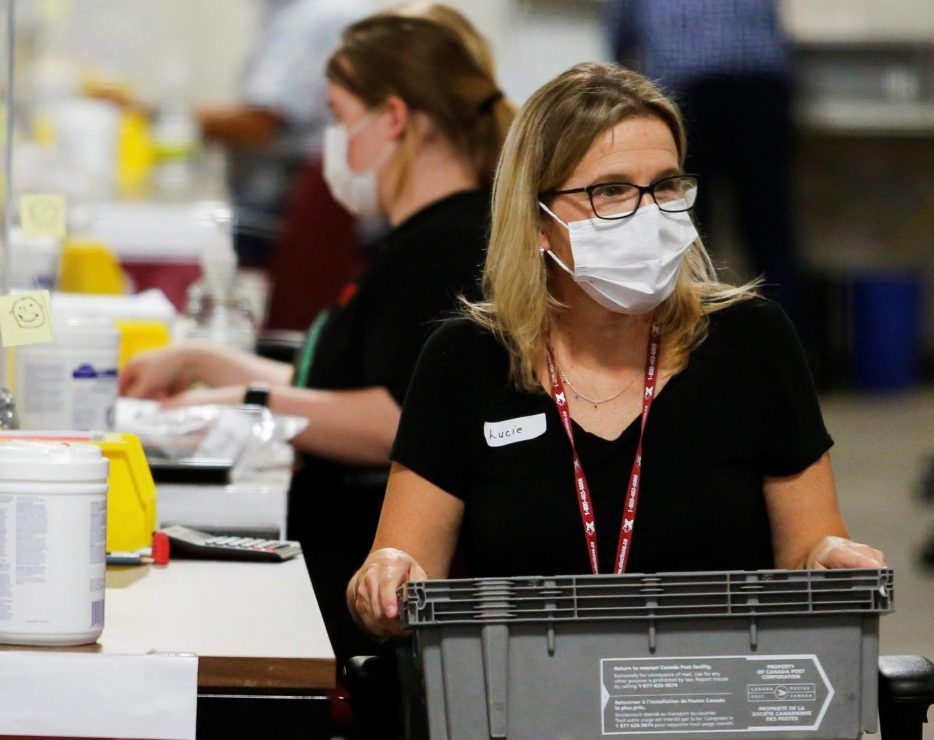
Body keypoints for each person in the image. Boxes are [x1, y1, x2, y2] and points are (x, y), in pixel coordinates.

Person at [348, 63, 886, 638]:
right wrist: (383, 585)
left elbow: (807, 552)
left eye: (666, 186)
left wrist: (828, 560)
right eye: (611, 191)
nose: (650, 214)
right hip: (527, 700)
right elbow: (399, 590)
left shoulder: (751, 340)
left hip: (710, 695)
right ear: (536, 220)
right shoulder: (466, 359)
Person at [121, 11, 514, 670]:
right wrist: (203, 361)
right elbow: (341, 385)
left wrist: (246, 403)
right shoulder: (414, 242)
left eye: (337, 116)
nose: (330, 141)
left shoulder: (443, 249)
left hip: (360, 579)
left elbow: (395, 418)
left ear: (392, 118)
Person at [608, 0, 804, 333]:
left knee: (686, 233)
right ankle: (798, 352)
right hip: (761, 91)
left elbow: (621, 45)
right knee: (770, 233)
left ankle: (689, 344)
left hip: (686, 91)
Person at [199, 0, 369, 266]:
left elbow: (260, 121)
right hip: (287, 205)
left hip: (282, 212)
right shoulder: (291, 13)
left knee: (177, 247)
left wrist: (167, 118)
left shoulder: (317, 15)